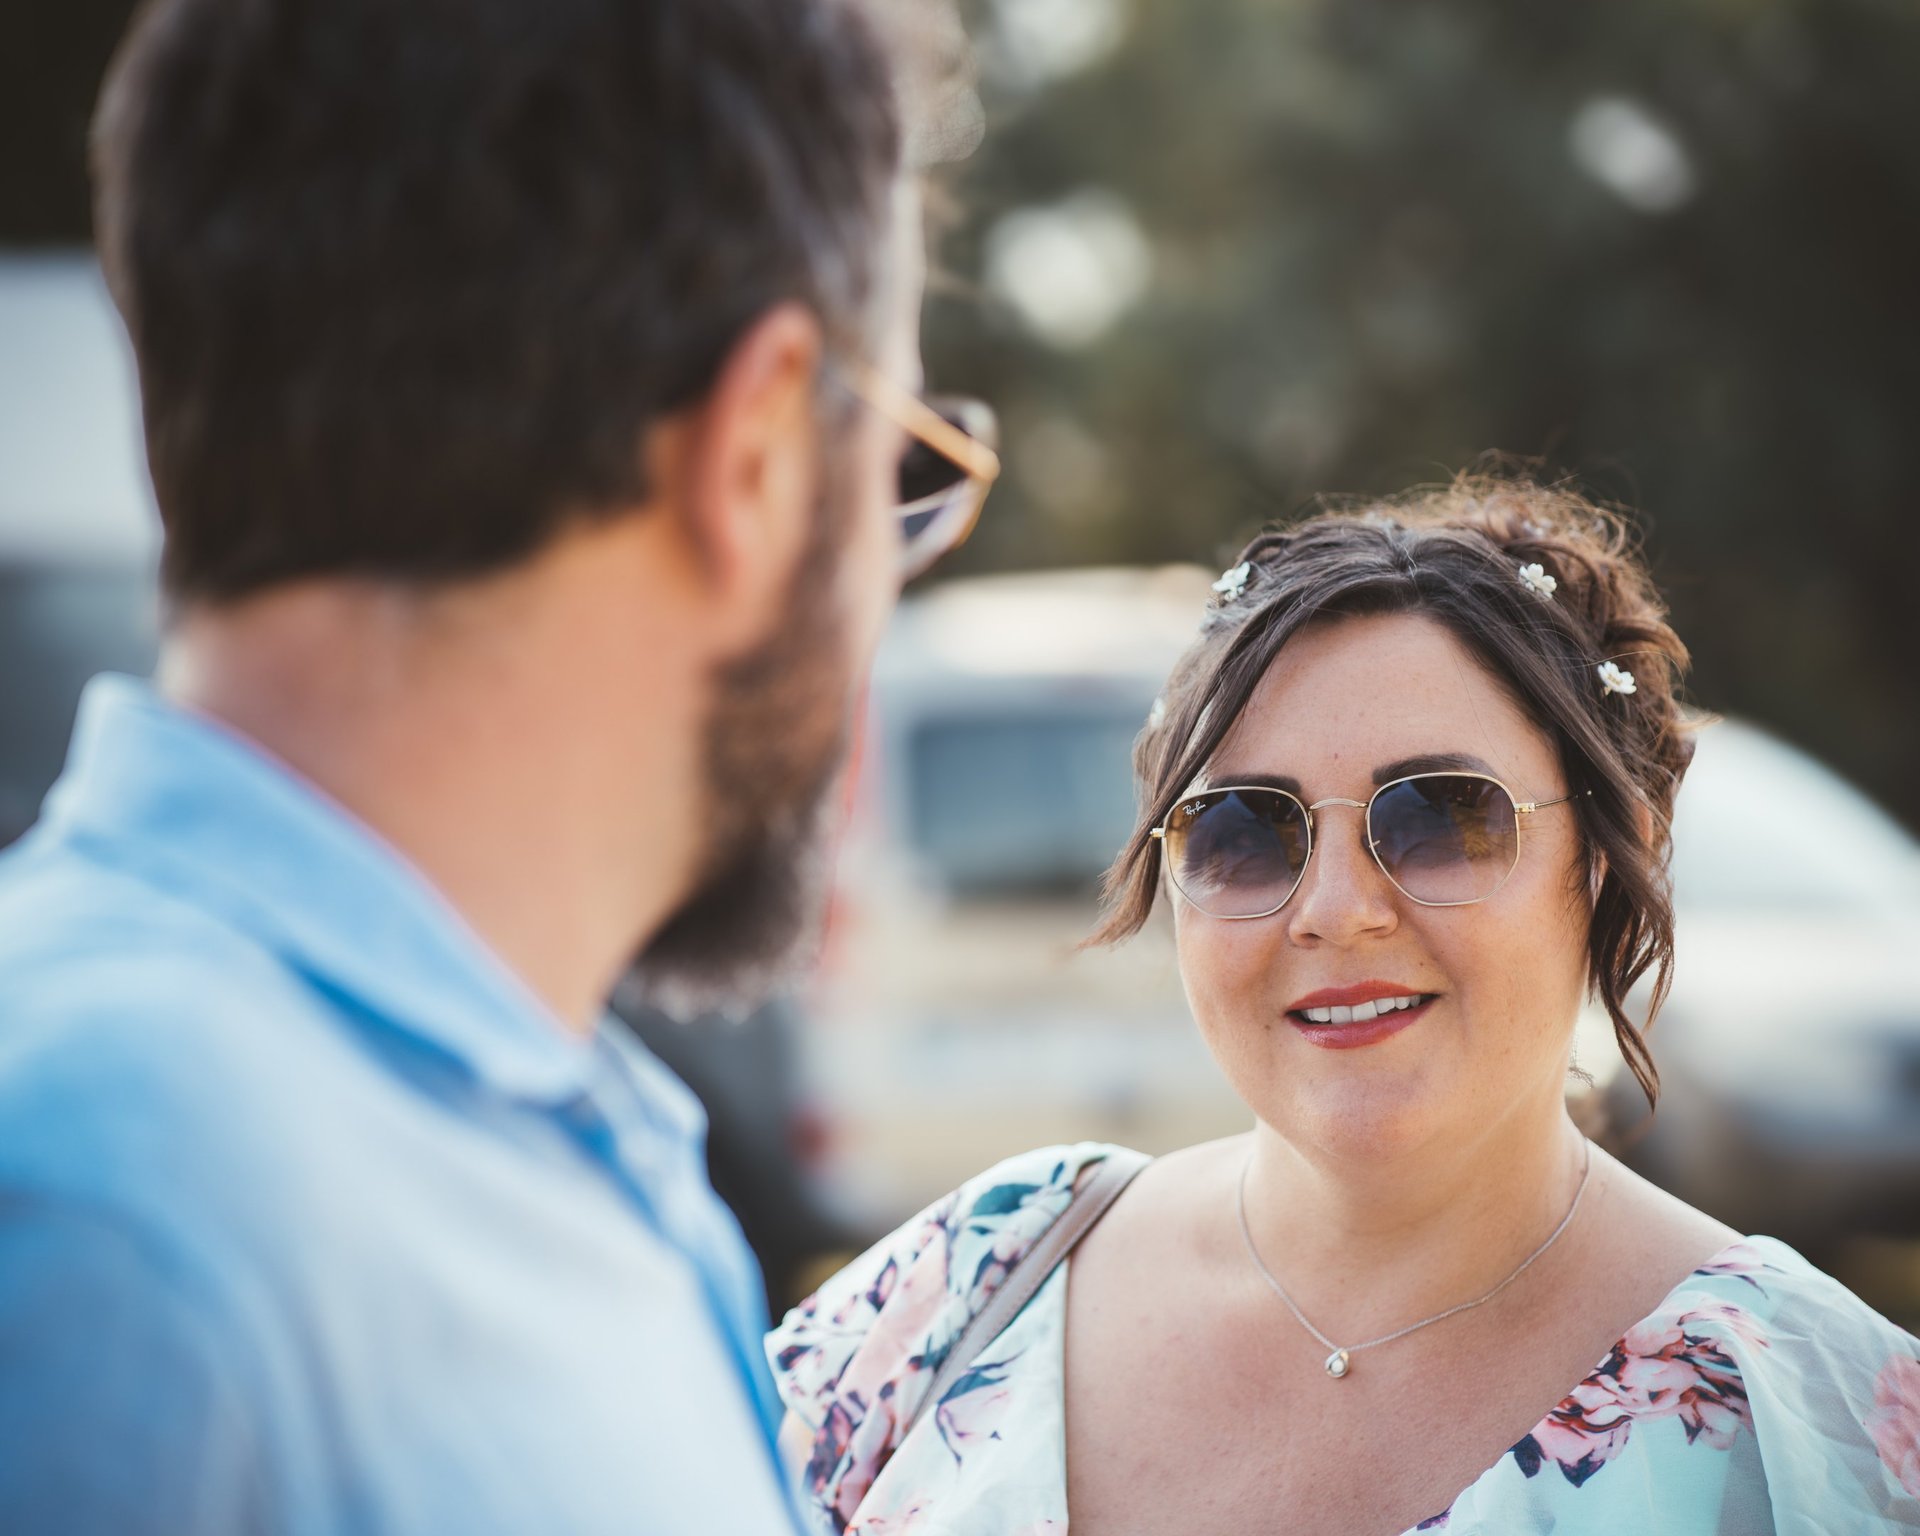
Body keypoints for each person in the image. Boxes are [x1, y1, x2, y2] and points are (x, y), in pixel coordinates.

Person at [0, 0, 996, 1530]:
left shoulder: (574, 1139)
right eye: (901, 479)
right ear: (756, 458)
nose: (888, 573)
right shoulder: (112, 1204)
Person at [768, 478, 1920, 1535]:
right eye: (1244, 831)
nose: (1332, 910)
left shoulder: (1811, 1419)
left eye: (1441, 815)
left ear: (1611, 861)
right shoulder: (973, 1287)